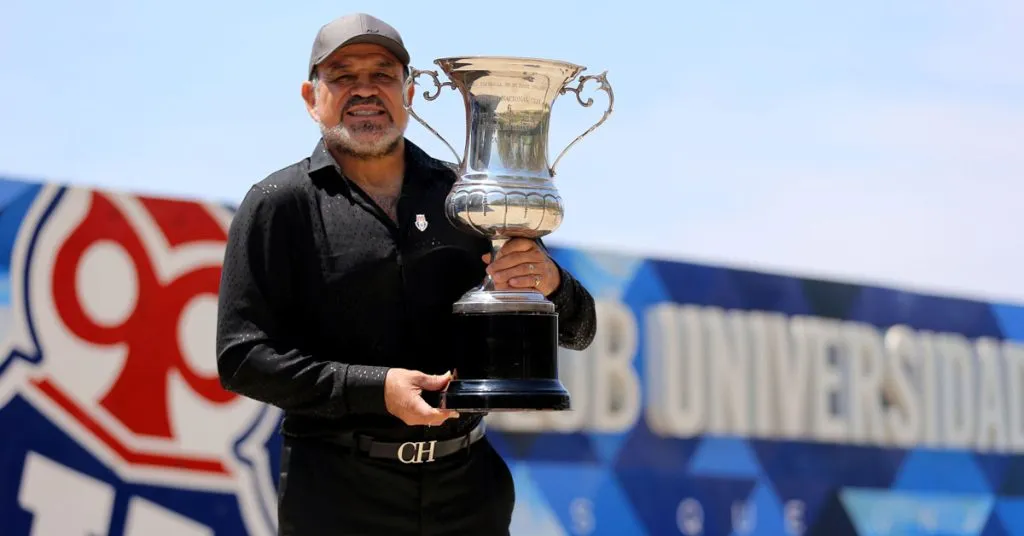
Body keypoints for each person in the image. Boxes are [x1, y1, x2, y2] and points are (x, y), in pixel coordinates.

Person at [214, 11, 597, 536]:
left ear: (410, 91)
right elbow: (242, 359)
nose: (365, 90)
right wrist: (378, 388)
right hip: (337, 495)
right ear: (311, 97)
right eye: (344, 75)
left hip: (468, 490)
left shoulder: (468, 197)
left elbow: (580, 329)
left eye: (383, 74)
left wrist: (549, 282)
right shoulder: (278, 204)